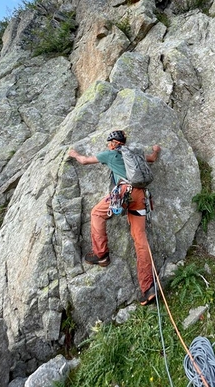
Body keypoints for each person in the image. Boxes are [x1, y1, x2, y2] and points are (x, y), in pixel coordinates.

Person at [68, 130, 161, 306]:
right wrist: (156, 150)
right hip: (141, 197)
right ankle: (148, 289)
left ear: (112, 143)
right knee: (140, 240)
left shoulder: (109, 154)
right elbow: (152, 158)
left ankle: (101, 254)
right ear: (124, 142)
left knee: (96, 213)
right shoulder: (136, 154)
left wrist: (73, 154)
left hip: (124, 193)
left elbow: (84, 161)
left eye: (108, 143)